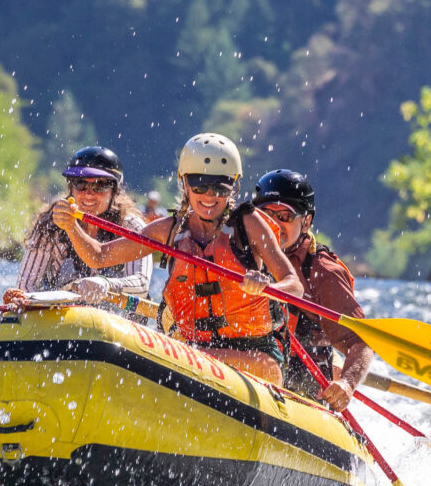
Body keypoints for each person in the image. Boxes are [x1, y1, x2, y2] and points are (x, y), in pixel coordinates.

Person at [52, 133, 303, 384]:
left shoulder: (248, 224)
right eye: (199, 186)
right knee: (180, 354)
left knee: (190, 357)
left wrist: (268, 287)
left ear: (233, 186)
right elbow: (99, 256)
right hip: (192, 353)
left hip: (254, 358)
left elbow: (294, 285)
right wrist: (71, 227)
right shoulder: (169, 230)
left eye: (219, 187)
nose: (209, 196)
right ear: (185, 183)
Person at [251, 169, 373, 412]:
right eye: (267, 215)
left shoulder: (322, 272)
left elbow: (360, 342)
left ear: (306, 221)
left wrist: (347, 384)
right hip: (251, 370)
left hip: (303, 390)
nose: (274, 225)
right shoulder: (242, 251)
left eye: (284, 216)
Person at [6, 146, 152, 306]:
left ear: (115, 190)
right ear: (71, 187)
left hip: (118, 317)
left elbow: (141, 284)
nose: (89, 193)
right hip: (65, 316)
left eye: (100, 185)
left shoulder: (132, 227)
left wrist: (105, 283)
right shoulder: (50, 223)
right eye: (80, 184)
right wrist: (22, 299)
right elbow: (26, 285)